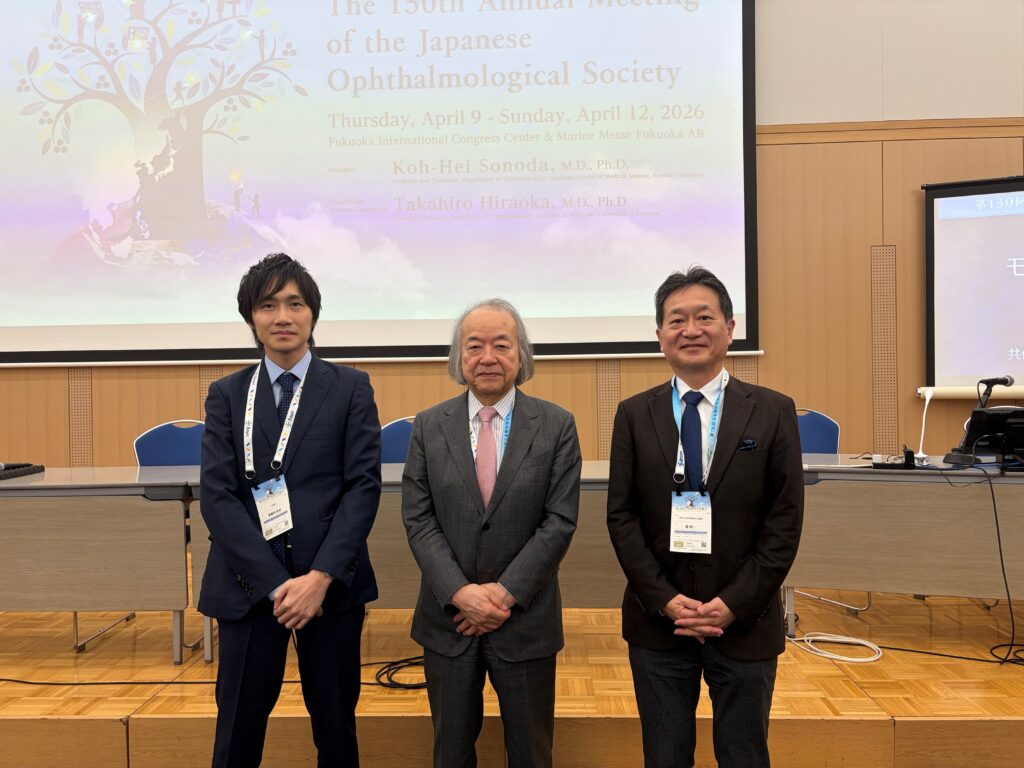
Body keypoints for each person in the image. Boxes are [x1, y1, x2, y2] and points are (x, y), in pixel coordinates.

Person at [606, 267, 804, 768]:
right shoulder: (633, 414)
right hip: (659, 624)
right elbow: (622, 517)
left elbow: (784, 522)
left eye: (704, 317)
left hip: (744, 622)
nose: (690, 330)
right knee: (665, 756)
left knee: (744, 755)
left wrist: (733, 603)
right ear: (660, 336)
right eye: (677, 320)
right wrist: (665, 600)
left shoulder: (773, 411)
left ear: (730, 328)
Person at [199, 253, 381, 767]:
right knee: (236, 736)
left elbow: (363, 487)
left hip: (329, 589)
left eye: (295, 303)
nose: (283, 316)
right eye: (268, 305)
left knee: (337, 734)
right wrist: (277, 585)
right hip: (250, 589)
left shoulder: (350, 388)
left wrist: (318, 579)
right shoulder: (227, 395)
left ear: (313, 314)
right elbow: (218, 496)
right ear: (251, 318)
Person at [402, 298, 581, 768]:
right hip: (449, 620)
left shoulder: (557, 425)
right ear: (458, 357)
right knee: (451, 752)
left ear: (521, 355)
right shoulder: (428, 426)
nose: (487, 357)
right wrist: (460, 593)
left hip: (525, 620)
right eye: (474, 346)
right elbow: (418, 519)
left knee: (531, 753)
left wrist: (502, 595)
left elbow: (559, 521)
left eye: (501, 345)